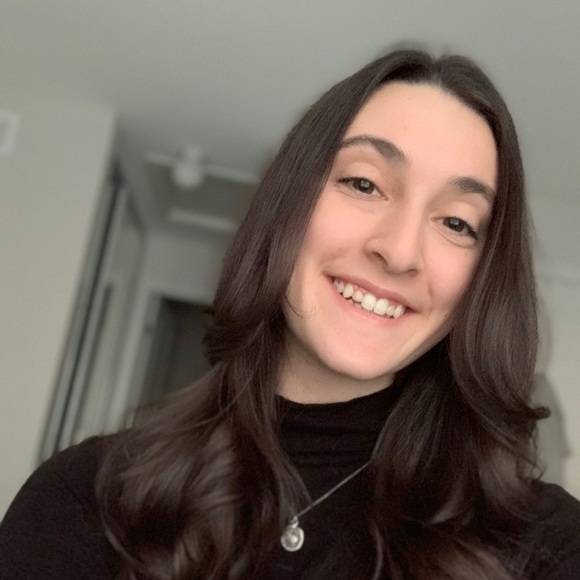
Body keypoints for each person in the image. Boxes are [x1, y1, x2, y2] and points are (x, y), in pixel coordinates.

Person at [1, 48, 579, 580]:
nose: (401, 251)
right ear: (288, 204)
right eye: (363, 183)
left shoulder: (550, 546)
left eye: (456, 222)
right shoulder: (83, 500)